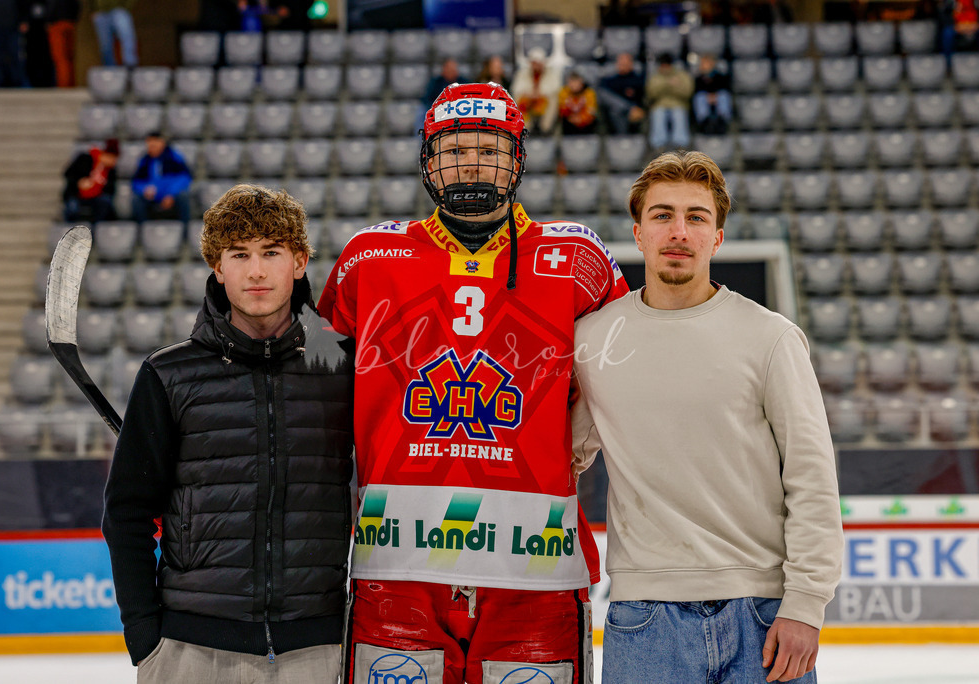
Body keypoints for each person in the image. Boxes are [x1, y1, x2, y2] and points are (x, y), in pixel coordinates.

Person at [317, 82, 629, 684]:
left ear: (517, 157)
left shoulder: (578, 258)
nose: (472, 163)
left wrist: (579, 442)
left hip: (535, 568)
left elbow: (626, 381)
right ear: (429, 159)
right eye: (456, 149)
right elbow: (310, 387)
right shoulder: (368, 258)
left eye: (489, 149)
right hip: (397, 565)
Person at [571, 151, 843, 684]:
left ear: (717, 236)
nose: (679, 231)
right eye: (662, 214)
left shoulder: (771, 338)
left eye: (696, 217)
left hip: (762, 616)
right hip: (644, 616)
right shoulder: (593, 340)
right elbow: (559, 458)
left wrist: (806, 604)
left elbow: (812, 480)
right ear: (638, 232)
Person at [103, 183, 355, 682]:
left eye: (272, 252)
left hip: (317, 648)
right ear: (218, 267)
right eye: (239, 254)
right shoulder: (168, 374)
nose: (256, 270)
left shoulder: (344, 366)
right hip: (190, 651)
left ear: (300, 262)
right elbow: (126, 512)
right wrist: (147, 640)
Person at [131, 131, 193, 224]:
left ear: (162, 143)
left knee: (183, 197)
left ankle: (185, 232)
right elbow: (136, 181)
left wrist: (171, 194)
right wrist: (144, 189)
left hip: (171, 195)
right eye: (149, 145)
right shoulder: (145, 160)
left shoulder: (174, 157)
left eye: (154, 144)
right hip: (153, 196)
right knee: (137, 200)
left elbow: (184, 178)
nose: (151, 147)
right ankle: (143, 230)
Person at [63, 138, 119, 223]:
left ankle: (97, 229)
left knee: (105, 204)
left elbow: (111, 190)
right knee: (72, 207)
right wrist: (79, 182)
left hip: (97, 197)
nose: (114, 162)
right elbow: (68, 174)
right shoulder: (85, 158)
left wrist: (100, 187)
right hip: (77, 194)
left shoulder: (111, 171)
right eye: (113, 158)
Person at [645, 53, 694, 151]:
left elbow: (688, 92)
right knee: (658, 114)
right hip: (660, 105)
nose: (665, 67)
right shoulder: (655, 77)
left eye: (667, 65)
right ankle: (659, 146)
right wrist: (666, 84)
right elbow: (651, 94)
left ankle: (681, 145)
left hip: (678, 104)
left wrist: (676, 86)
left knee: (678, 114)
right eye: (663, 65)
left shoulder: (681, 75)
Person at [510, 47, 562, 135]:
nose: (537, 66)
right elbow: (516, 89)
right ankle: (525, 127)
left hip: (544, 101)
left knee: (554, 99)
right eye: (534, 63)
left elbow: (556, 89)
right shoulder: (522, 73)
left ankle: (545, 127)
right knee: (518, 99)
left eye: (539, 63)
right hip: (528, 101)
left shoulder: (551, 73)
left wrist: (540, 93)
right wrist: (530, 93)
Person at [598, 52, 646, 136]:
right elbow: (603, 96)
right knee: (613, 108)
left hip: (634, 115)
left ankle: (622, 138)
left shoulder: (638, 80)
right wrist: (628, 108)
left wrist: (638, 109)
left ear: (631, 64)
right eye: (620, 63)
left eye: (625, 63)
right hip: (616, 114)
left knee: (617, 111)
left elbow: (642, 98)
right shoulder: (610, 80)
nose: (622, 65)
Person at [692, 54, 733, 135]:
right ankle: (704, 121)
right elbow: (697, 90)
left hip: (717, 97)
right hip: (705, 98)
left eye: (706, 63)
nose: (704, 65)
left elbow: (725, 88)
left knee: (724, 96)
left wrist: (714, 95)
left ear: (712, 64)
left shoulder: (720, 76)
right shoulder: (698, 78)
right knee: (699, 97)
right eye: (703, 63)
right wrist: (708, 96)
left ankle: (723, 120)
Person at [92, 0, 137, 67]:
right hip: (101, 12)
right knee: (105, 45)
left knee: (127, 36)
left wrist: (126, 7)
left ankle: (130, 64)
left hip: (120, 9)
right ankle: (109, 69)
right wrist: (93, 10)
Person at [46, 0, 80, 88]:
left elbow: (52, 5)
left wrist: (49, 19)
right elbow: (77, 5)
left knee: (60, 58)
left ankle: (63, 85)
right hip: (70, 23)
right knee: (69, 56)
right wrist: (74, 19)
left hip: (57, 24)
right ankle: (71, 84)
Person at [558, 71, 598, 136]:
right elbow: (562, 109)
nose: (574, 85)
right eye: (571, 82)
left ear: (581, 82)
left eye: (576, 82)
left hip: (585, 122)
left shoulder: (589, 93)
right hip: (569, 121)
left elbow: (591, 111)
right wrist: (572, 118)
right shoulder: (564, 92)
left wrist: (580, 118)